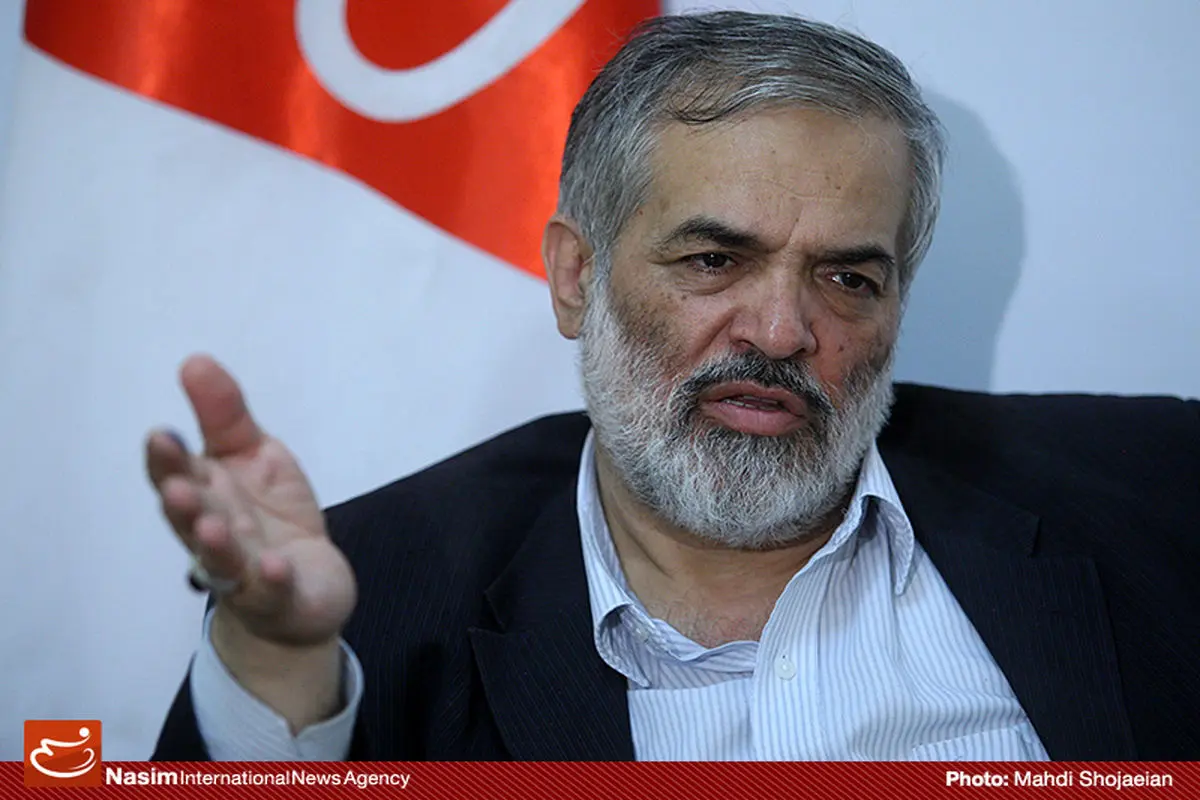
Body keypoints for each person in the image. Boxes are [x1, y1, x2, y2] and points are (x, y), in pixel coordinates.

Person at [146, 11, 1199, 761]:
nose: (782, 332)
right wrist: (277, 666)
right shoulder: (374, 586)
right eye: (713, 260)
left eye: (847, 278)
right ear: (577, 276)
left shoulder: (1158, 489)